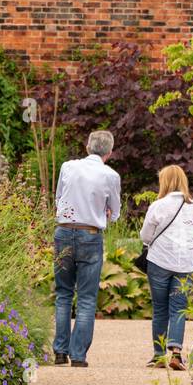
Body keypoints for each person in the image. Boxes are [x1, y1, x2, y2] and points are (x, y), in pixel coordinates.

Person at [53, 130, 120, 368]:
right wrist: (106, 213)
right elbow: (115, 212)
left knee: (63, 294)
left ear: (87, 146)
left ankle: (60, 351)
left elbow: (59, 198)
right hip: (90, 234)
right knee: (87, 297)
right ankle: (78, 355)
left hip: (63, 230)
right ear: (109, 152)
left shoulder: (67, 167)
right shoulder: (110, 175)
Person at [140, 165, 193, 371]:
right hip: (186, 264)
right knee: (179, 308)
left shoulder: (157, 206)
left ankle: (159, 355)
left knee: (160, 308)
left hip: (159, 261)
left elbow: (145, 236)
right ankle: (177, 354)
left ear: (164, 181)